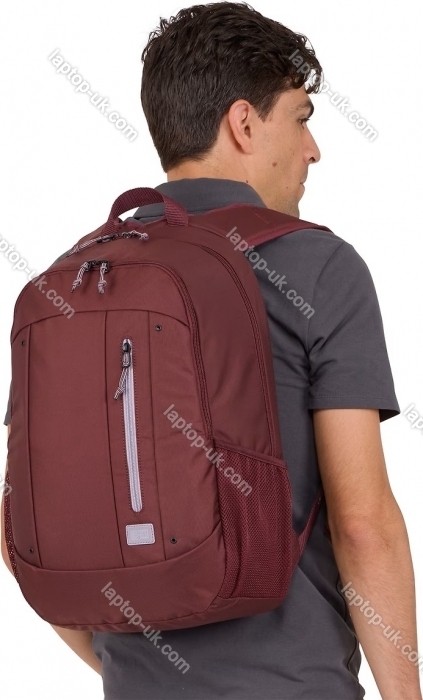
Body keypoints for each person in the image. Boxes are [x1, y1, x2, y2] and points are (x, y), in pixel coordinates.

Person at [2, 3, 421, 699]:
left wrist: (131, 671)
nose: (313, 149)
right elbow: (363, 524)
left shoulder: (74, 280)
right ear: (244, 123)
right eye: (302, 118)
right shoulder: (319, 266)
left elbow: (19, 534)